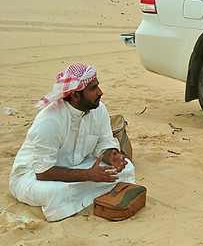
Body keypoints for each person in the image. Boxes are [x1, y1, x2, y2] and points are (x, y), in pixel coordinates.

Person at [9, 64, 135, 221]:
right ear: (75, 95)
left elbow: (104, 143)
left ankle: (78, 199)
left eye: (98, 86)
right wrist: (88, 175)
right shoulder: (50, 120)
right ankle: (79, 198)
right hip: (32, 176)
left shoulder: (99, 109)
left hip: (78, 166)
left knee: (126, 168)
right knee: (58, 193)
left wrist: (112, 157)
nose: (100, 92)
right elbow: (42, 171)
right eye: (93, 88)